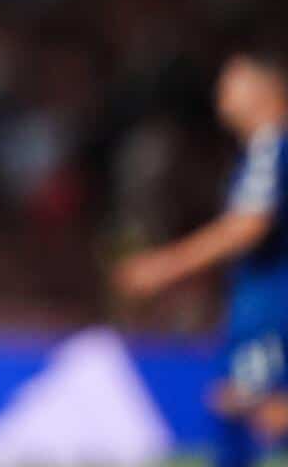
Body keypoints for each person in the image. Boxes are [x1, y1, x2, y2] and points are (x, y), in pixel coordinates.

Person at [116, 50, 288, 467]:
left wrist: (164, 266)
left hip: (273, 307)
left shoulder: (272, 148)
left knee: (256, 409)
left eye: (232, 83)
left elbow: (248, 225)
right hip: (258, 304)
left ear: (266, 89)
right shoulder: (259, 153)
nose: (221, 94)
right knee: (234, 406)